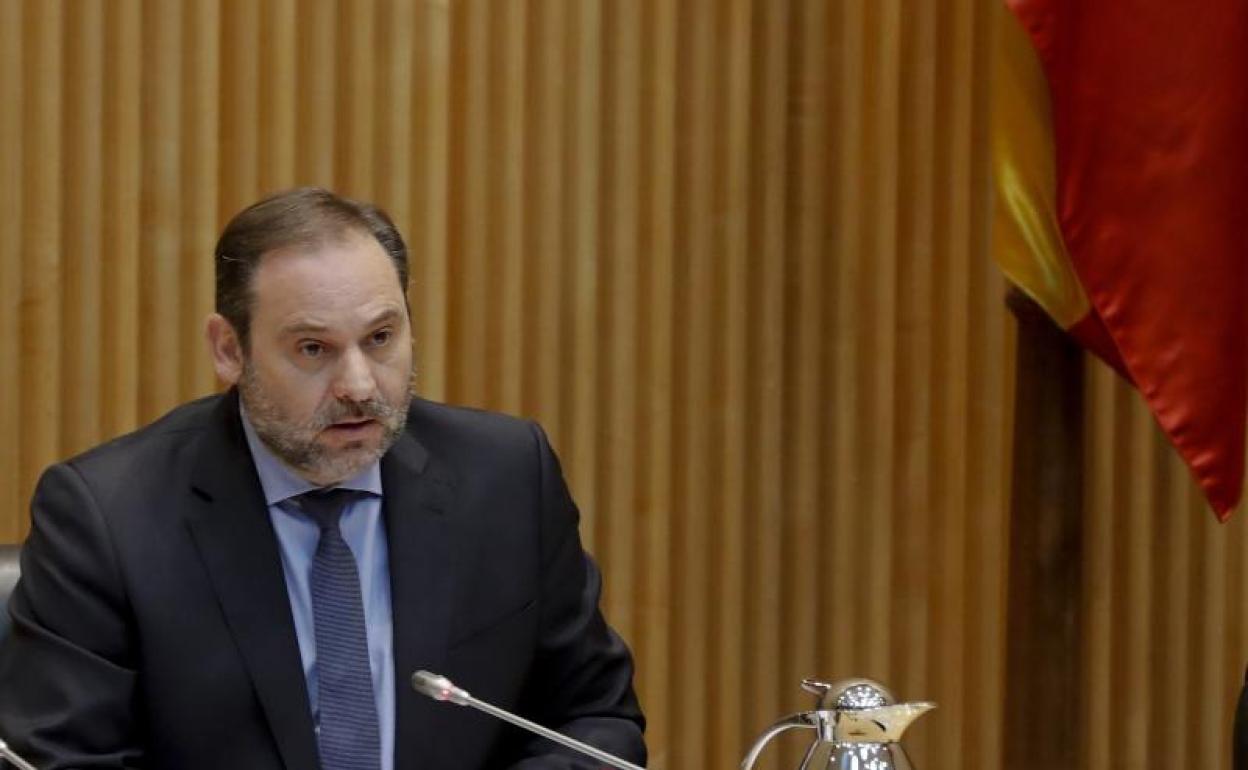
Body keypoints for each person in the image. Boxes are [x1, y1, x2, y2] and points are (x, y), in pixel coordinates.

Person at [0, 188, 646, 769]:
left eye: (381, 338)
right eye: (313, 349)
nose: (359, 385)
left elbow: (595, 721)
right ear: (229, 350)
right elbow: (63, 759)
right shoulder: (109, 518)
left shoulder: (505, 478)